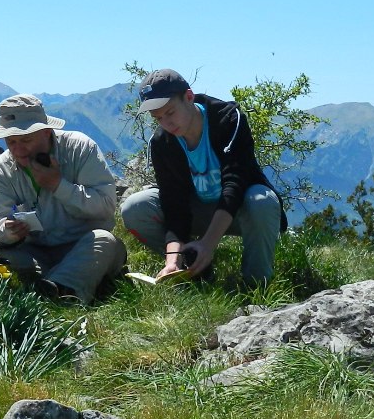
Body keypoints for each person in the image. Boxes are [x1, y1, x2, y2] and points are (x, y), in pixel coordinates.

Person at [120, 69, 283, 285]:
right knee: (135, 207)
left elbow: (235, 184)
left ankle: (256, 285)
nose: (166, 123)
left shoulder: (228, 119)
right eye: (158, 118)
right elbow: (173, 204)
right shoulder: (162, 143)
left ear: (188, 97)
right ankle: (193, 270)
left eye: (170, 112)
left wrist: (208, 244)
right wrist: (172, 259)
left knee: (262, 201)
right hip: (199, 210)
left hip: (240, 210)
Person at [0, 94, 126, 303]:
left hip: (82, 247)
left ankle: (58, 292)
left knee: (106, 241)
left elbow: (105, 207)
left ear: (47, 132)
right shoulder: (2, 168)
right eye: (11, 141)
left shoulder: (80, 148)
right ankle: (61, 284)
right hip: (35, 252)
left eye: (26, 140)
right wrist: (9, 231)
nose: (18, 149)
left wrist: (58, 185)